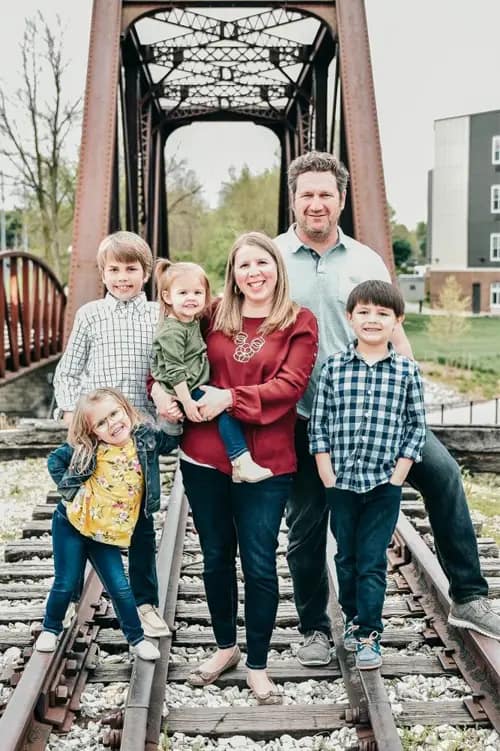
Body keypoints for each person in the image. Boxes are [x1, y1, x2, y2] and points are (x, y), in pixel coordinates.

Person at [274, 150, 500, 667]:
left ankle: (469, 597)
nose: (315, 203)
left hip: (379, 416)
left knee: (443, 475)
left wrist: (410, 398)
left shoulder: (366, 260)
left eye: (325, 194)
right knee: (307, 523)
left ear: (342, 199)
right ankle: (313, 628)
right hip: (310, 419)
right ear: (293, 199)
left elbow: (395, 330)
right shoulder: (275, 258)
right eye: (306, 194)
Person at [152, 231, 318, 703]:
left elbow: (291, 384)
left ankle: (259, 664)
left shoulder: (297, 321)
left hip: (266, 460)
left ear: (277, 267)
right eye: (244, 265)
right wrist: (160, 394)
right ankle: (225, 648)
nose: (254, 273)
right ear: (233, 272)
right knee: (216, 556)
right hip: (203, 456)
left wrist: (230, 396)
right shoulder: (210, 312)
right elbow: (165, 356)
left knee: (260, 562)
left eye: (262, 262)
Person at [52, 231, 169, 638]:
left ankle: (145, 603)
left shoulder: (158, 314)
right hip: (95, 434)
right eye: (114, 270)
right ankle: (66, 596)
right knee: (82, 511)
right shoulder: (90, 315)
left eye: (131, 269)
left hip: (138, 436)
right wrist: (71, 414)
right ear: (102, 272)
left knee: (140, 520)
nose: (123, 278)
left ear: (146, 272)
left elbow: (169, 366)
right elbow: (68, 370)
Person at [309, 280, 426, 669]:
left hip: (382, 485)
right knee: (346, 557)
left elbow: (416, 427)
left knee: (372, 560)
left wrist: (398, 476)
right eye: (364, 312)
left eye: (382, 313)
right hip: (340, 482)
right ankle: (354, 617)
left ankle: (369, 634)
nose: (372, 320)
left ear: (397, 321)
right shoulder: (334, 368)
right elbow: (320, 424)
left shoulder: (407, 372)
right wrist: (326, 473)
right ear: (350, 317)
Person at [35, 388, 178, 659]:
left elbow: (170, 441)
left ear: (125, 408)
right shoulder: (89, 447)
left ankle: (136, 640)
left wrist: (169, 418)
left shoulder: (144, 439)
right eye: (101, 422)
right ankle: (51, 628)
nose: (112, 424)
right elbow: (55, 461)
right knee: (65, 582)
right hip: (71, 525)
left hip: (105, 534)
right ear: (93, 431)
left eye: (114, 413)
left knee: (120, 588)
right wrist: (73, 493)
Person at [151, 259, 272, 483]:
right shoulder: (172, 331)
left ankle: (169, 434)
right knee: (225, 410)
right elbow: (175, 370)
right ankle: (241, 461)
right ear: (167, 297)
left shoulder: (190, 320)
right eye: (183, 292)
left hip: (191, 384)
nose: (191, 298)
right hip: (184, 388)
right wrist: (186, 401)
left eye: (197, 292)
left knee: (221, 404)